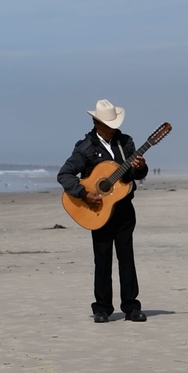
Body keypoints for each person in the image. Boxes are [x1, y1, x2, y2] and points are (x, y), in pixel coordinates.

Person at [57, 99, 149, 323]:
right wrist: (84, 193)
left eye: (114, 122)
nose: (113, 127)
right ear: (97, 123)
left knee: (127, 258)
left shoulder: (126, 143)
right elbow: (64, 175)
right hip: (97, 210)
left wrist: (140, 167)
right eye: (108, 123)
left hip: (124, 209)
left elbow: (135, 176)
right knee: (103, 259)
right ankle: (102, 309)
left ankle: (131, 307)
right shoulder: (85, 148)